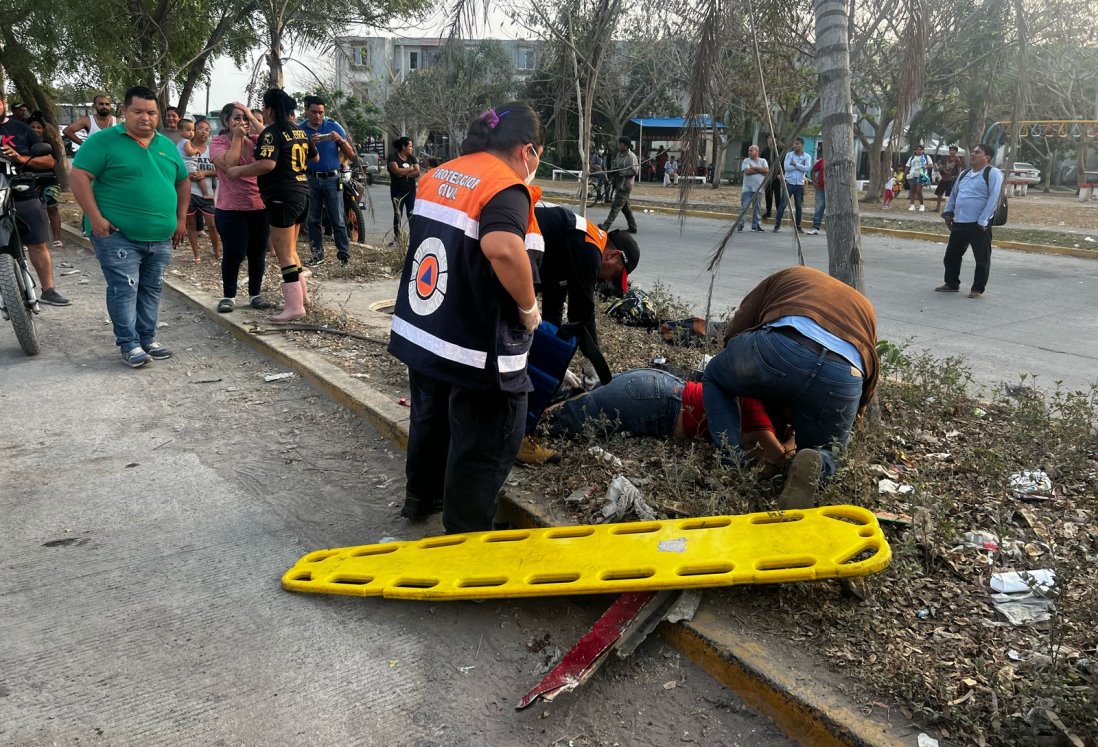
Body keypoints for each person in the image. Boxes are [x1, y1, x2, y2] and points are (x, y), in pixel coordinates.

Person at [388, 102, 545, 534]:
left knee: (430, 416)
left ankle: (422, 496)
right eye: (538, 155)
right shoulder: (504, 187)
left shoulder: (441, 174)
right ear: (527, 150)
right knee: (490, 435)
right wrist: (529, 308)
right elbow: (501, 247)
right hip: (475, 343)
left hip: (426, 328)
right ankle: (467, 535)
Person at [701, 266, 879, 509]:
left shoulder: (792, 274)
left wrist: (736, 360)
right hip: (845, 374)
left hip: (782, 347)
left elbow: (740, 325)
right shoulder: (865, 306)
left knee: (714, 376)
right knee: (828, 449)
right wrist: (855, 410)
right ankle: (817, 463)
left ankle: (733, 461)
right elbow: (870, 369)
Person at [69, 86, 189, 367]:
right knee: (124, 287)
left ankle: (147, 338)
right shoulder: (104, 141)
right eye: (138, 111)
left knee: (151, 288)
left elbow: (183, 181)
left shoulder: (166, 146)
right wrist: (95, 218)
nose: (145, 117)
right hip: (117, 234)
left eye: (151, 112)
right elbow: (79, 176)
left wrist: (181, 219)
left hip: (160, 235)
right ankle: (129, 343)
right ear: (124, 112)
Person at [545, 369, 794, 467]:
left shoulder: (753, 396)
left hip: (658, 388)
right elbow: (779, 462)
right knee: (553, 423)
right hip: (658, 402)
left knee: (577, 406)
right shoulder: (755, 411)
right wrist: (793, 440)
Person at [226, 89, 317, 323]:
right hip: (302, 193)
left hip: (282, 197)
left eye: (263, 109)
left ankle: (294, 306)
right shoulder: (299, 131)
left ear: (269, 110)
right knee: (292, 251)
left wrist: (239, 170)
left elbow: (267, 164)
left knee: (284, 254)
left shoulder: (272, 134)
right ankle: (302, 297)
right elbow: (313, 158)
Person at [0, 97, 70, 306]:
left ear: (3, 103)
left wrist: (21, 159)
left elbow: (49, 160)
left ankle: (48, 290)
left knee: (38, 242)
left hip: (22, 191)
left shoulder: (21, 129)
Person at [209, 102, 272, 313]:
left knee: (257, 253)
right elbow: (229, 164)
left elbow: (274, 138)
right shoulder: (217, 143)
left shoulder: (256, 140)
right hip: (230, 209)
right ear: (226, 121)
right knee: (234, 253)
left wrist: (252, 118)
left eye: (245, 118)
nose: (242, 123)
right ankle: (229, 296)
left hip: (258, 206)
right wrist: (236, 137)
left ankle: (255, 293)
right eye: (237, 118)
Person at [937, 143, 1004, 300]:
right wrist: (948, 213)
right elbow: (954, 195)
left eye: (977, 152)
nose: (973, 154)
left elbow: (994, 198)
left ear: (987, 157)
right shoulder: (965, 174)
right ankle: (951, 283)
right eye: (972, 151)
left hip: (979, 224)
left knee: (981, 258)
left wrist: (983, 220)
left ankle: (977, 288)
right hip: (960, 221)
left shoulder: (993, 173)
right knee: (951, 255)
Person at [299, 96, 355, 266]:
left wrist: (340, 139)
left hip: (332, 177)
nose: (318, 116)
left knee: (337, 218)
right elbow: (297, 158)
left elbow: (351, 155)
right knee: (313, 219)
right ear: (306, 110)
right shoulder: (300, 130)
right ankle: (317, 255)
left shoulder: (333, 126)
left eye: (321, 112)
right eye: (314, 112)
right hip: (310, 179)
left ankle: (344, 256)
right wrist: (309, 143)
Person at [180, 119, 221, 263]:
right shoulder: (185, 147)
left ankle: (217, 253)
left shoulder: (212, 150)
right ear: (193, 130)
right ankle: (196, 255)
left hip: (207, 194)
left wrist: (205, 173)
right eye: (201, 128)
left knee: (213, 225)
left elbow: (220, 171)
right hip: (188, 193)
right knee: (191, 225)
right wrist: (187, 175)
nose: (204, 132)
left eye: (207, 129)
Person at [26, 114, 64, 247]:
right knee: (29, 211)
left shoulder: (48, 145)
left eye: (39, 127)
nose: (36, 129)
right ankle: (30, 239)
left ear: (43, 130)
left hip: (48, 181)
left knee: (52, 209)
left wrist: (28, 161)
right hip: (28, 182)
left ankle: (57, 239)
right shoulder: (22, 145)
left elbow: (51, 163)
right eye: (32, 127)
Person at [600, 136, 639, 233]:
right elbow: (616, 166)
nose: (619, 146)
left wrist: (623, 172)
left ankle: (606, 226)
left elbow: (635, 171)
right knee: (625, 208)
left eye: (621, 144)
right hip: (618, 184)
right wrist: (612, 172)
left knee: (616, 206)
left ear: (626, 146)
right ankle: (633, 227)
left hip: (625, 186)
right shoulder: (619, 154)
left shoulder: (631, 157)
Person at [387, 136, 419, 245]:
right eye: (410, 146)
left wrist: (403, 172)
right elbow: (396, 171)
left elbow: (417, 172)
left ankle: (414, 239)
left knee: (411, 215)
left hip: (411, 191)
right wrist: (410, 169)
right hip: (397, 191)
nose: (412, 148)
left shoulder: (412, 158)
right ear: (403, 146)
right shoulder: (393, 157)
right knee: (398, 214)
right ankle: (397, 239)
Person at [775, 137, 810, 232]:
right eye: (794, 144)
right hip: (789, 183)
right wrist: (800, 166)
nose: (795, 146)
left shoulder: (807, 157)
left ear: (802, 145)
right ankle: (777, 225)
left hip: (799, 184)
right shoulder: (789, 155)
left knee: (799, 206)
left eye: (797, 144)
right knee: (783, 205)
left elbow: (807, 169)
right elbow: (786, 167)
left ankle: (798, 226)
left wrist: (795, 164)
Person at [738, 144, 768, 232]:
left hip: (759, 188)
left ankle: (756, 225)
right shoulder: (746, 161)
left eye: (751, 150)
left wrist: (754, 168)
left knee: (757, 208)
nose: (749, 152)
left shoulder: (763, 161)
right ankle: (740, 224)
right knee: (744, 207)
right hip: (747, 189)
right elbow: (747, 171)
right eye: (749, 151)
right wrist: (760, 171)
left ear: (757, 152)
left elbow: (766, 171)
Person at [935, 145, 964, 212]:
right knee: (939, 193)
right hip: (944, 178)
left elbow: (959, 169)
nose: (951, 151)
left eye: (953, 150)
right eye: (950, 150)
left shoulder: (957, 160)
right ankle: (937, 208)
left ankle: (948, 209)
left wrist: (958, 178)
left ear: (956, 152)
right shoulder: (945, 158)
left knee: (950, 195)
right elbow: (941, 166)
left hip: (952, 178)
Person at [760, 136, 783, 219]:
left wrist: (781, 173)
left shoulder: (780, 150)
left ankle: (778, 212)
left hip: (777, 176)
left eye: (772, 138)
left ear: (776, 140)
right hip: (767, 176)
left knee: (777, 195)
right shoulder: (764, 151)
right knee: (768, 195)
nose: (770, 140)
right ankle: (768, 211)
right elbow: (761, 162)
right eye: (769, 138)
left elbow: (783, 163)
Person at [906, 144, 931, 211]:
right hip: (912, 175)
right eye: (917, 150)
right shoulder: (912, 157)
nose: (919, 151)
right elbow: (908, 166)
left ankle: (922, 205)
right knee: (912, 190)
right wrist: (905, 175)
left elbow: (931, 165)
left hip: (921, 176)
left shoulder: (926, 157)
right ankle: (912, 205)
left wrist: (925, 167)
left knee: (919, 191)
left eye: (920, 150)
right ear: (915, 151)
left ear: (923, 150)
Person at [807, 146, 825, 235]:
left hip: (833, 191)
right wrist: (814, 182)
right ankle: (815, 227)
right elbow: (813, 171)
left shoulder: (835, 161)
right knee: (819, 207)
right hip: (821, 188)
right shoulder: (821, 161)